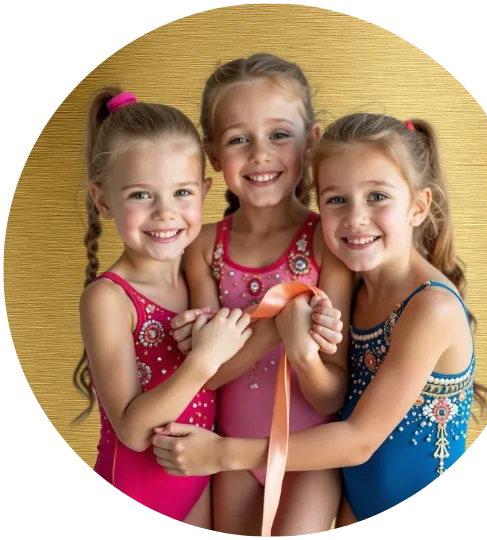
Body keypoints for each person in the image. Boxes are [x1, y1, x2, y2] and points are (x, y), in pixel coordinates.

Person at [151, 112, 487, 529]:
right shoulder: (357, 289)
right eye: (336, 200)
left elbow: (359, 441)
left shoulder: (431, 308)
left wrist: (224, 453)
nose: (355, 218)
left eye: (377, 197)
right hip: (355, 505)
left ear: (419, 206)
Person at [166, 53, 354, 536]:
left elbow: (331, 395)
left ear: (311, 144)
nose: (259, 153)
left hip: (308, 454)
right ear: (212, 155)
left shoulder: (327, 244)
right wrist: (274, 329)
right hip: (226, 449)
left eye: (279, 134)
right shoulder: (204, 247)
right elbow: (206, 376)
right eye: (237, 140)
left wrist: (303, 353)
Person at [72, 87, 254, 528]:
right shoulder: (108, 298)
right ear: (102, 200)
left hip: (198, 484)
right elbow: (133, 432)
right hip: (136, 488)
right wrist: (204, 358)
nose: (165, 213)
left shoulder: (202, 275)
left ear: (205, 191)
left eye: (181, 193)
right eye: (140, 195)